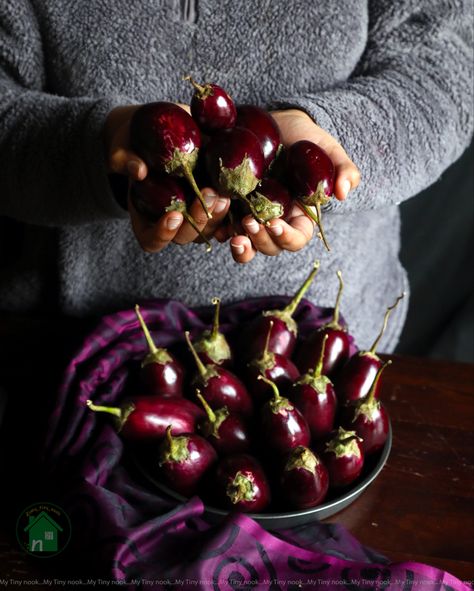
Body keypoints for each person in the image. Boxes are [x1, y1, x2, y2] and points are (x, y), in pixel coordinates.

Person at [0, 0, 472, 353]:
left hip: (326, 351)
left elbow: (444, 70)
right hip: (70, 356)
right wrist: (100, 145)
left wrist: (325, 140)